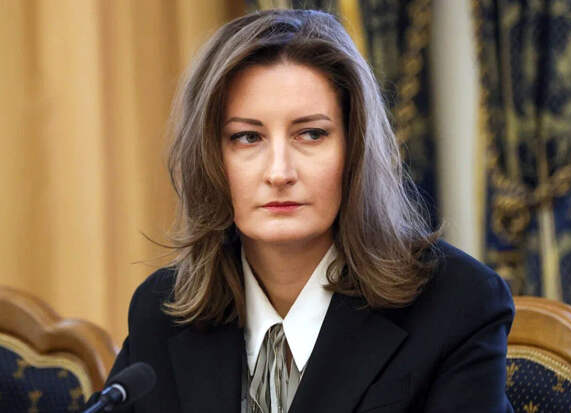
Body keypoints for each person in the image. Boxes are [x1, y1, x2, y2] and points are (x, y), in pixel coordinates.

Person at [89, 8, 514, 413]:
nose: (279, 172)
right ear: (210, 158)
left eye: (311, 134)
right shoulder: (161, 310)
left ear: (354, 149)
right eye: (247, 138)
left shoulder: (458, 304)